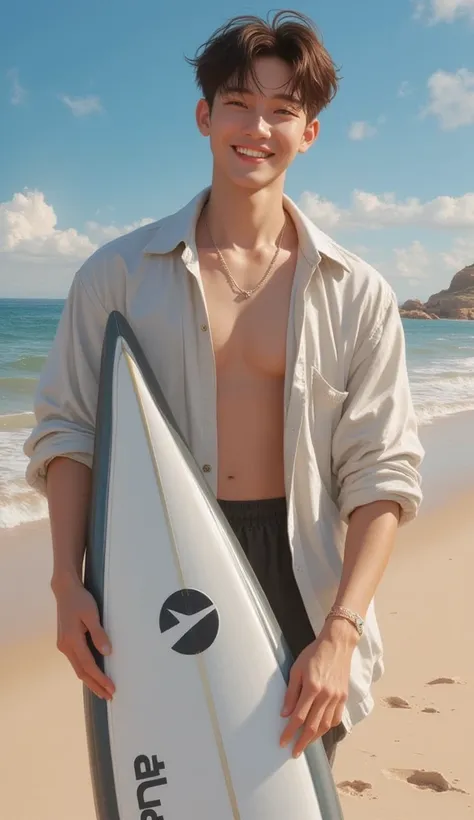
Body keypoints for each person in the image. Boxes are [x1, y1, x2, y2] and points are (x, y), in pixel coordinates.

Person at [24, 10, 424, 768]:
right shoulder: (117, 274)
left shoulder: (357, 292)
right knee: (166, 784)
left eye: (283, 110)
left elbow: (382, 471)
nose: (257, 126)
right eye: (238, 103)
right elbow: (69, 430)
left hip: (299, 567)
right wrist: (67, 584)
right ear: (205, 116)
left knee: (288, 786)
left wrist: (341, 629)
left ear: (309, 134)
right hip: (156, 562)